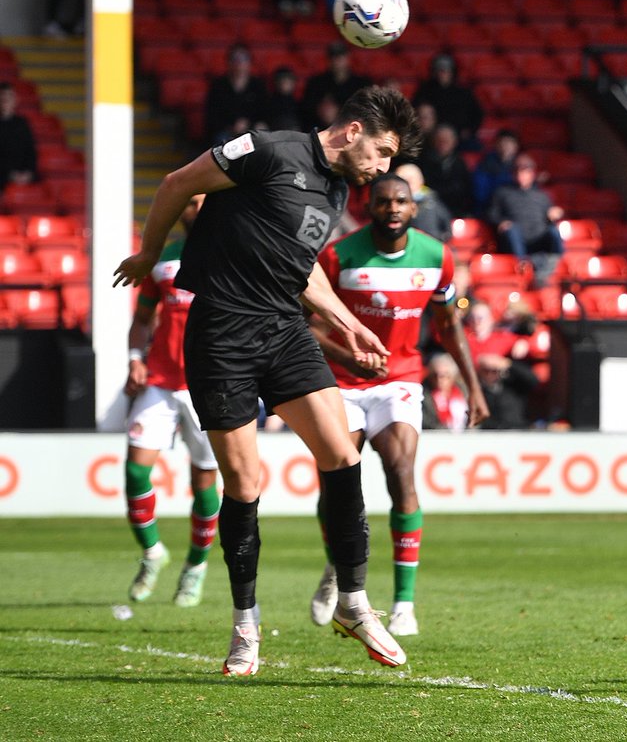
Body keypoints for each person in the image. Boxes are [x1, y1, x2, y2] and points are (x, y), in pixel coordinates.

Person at [113, 85, 420, 676]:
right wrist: (151, 254)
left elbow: (300, 272)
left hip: (283, 329)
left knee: (340, 453)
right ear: (353, 131)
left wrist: (349, 324)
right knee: (245, 483)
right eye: (381, 153)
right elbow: (178, 182)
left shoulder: (333, 189)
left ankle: (354, 602)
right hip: (221, 332)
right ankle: (245, 627)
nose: (383, 169)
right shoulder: (268, 150)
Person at [307, 173, 487, 638]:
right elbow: (305, 325)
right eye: (383, 201)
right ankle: (336, 562)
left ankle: (404, 604)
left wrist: (474, 387)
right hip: (342, 383)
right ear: (369, 206)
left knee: (401, 471)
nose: (392, 209)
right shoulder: (338, 254)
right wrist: (351, 357)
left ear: (414, 208)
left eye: (401, 202)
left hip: (399, 380)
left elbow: (448, 327)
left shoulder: (437, 257)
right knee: (337, 488)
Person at [123, 195, 218, 608]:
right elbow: (142, 320)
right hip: (160, 380)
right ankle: (152, 553)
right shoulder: (163, 261)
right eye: (189, 204)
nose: (193, 210)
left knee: (204, 484)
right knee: (134, 471)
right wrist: (134, 360)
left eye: (201, 203)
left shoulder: (231, 255)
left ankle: (196, 566)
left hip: (210, 385)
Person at [488, 153, 565, 287]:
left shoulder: (542, 196)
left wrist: (553, 214)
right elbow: (492, 214)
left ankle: (558, 266)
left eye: (525, 171)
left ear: (532, 174)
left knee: (554, 231)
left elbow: (550, 217)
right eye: (518, 171)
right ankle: (522, 267)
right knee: (512, 229)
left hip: (538, 238)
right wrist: (501, 222)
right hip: (516, 240)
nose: (521, 175)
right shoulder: (503, 192)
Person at [411, 55, 484, 147]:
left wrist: (469, 130)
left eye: (446, 70)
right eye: (440, 70)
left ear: (452, 72)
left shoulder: (463, 92)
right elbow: (415, 112)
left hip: (459, 136)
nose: (443, 73)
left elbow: (478, 114)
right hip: (431, 136)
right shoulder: (424, 90)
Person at [203, 44, 268, 145]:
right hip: (225, 132)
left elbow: (264, 111)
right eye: (235, 59)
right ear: (229, 62)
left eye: (243, 59)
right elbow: (212, 115)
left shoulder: (258, 85)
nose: (239, 64)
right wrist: (231, 127)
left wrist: (252, 123)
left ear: (249, 63)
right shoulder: (218, 86)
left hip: (252, 131)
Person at [301, 43, 372, 129]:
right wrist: (320, 111)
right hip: (320, 130)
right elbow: (306, 109)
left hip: (352, 130)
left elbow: (367, 111)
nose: (337, 60)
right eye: (334, 57)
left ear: (348, 58)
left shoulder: (361, 83)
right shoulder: (316, 83)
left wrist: (339, 113)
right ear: (329, 60)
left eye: (341, 56)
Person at [416, 123, 475, 218]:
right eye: (440, 140)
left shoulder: (460, 163)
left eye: (447, 140)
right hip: (431, 210)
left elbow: (466, 191)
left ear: (454, 142)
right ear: (433, 141)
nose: (443, 143)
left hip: (457, 210)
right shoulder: (423, 162)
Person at [476, 352, 540, 430]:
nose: (490, 374)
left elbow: (533, 380)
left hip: (518, 429)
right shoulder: (477, 391)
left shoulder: (512, 386)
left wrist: (507, 363)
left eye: (494, 371)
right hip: (491, 433)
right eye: (486, 371)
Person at [395, 162, 451, 241]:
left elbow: (447, 227)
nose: (408, 183)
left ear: (420, 180)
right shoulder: (393, 205)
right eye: (403, 180)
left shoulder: (433, 201)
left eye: (410, 179)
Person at [472, 128, 521, 213]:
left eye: (510, 142)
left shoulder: (521, 164)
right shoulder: (486, 163)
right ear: (496, 144)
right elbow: (480, 194)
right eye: (503, 142)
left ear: (516, 146)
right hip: (490, 208)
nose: (506, 146)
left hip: (515, 209)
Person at [0, 83, 38, 190]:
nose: (6, 100)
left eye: (9, 96)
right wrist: (11, 175)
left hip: (24, 175)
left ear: (15, 100)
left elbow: (31, 151)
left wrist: (28, 173)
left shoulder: (23, 123)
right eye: (3, 97)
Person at [422, 352, 470, 431]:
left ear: (452, 377)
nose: (439, 379)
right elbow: (427, 422)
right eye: (435, 375)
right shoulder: (424, 395)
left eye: (444, 376)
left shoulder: (464, 393)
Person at [263, 65, 302, 133]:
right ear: (276, 82)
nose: (285, 83)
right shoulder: (269, 103)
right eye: (283, 79)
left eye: (288, 80)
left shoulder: (298, 104)